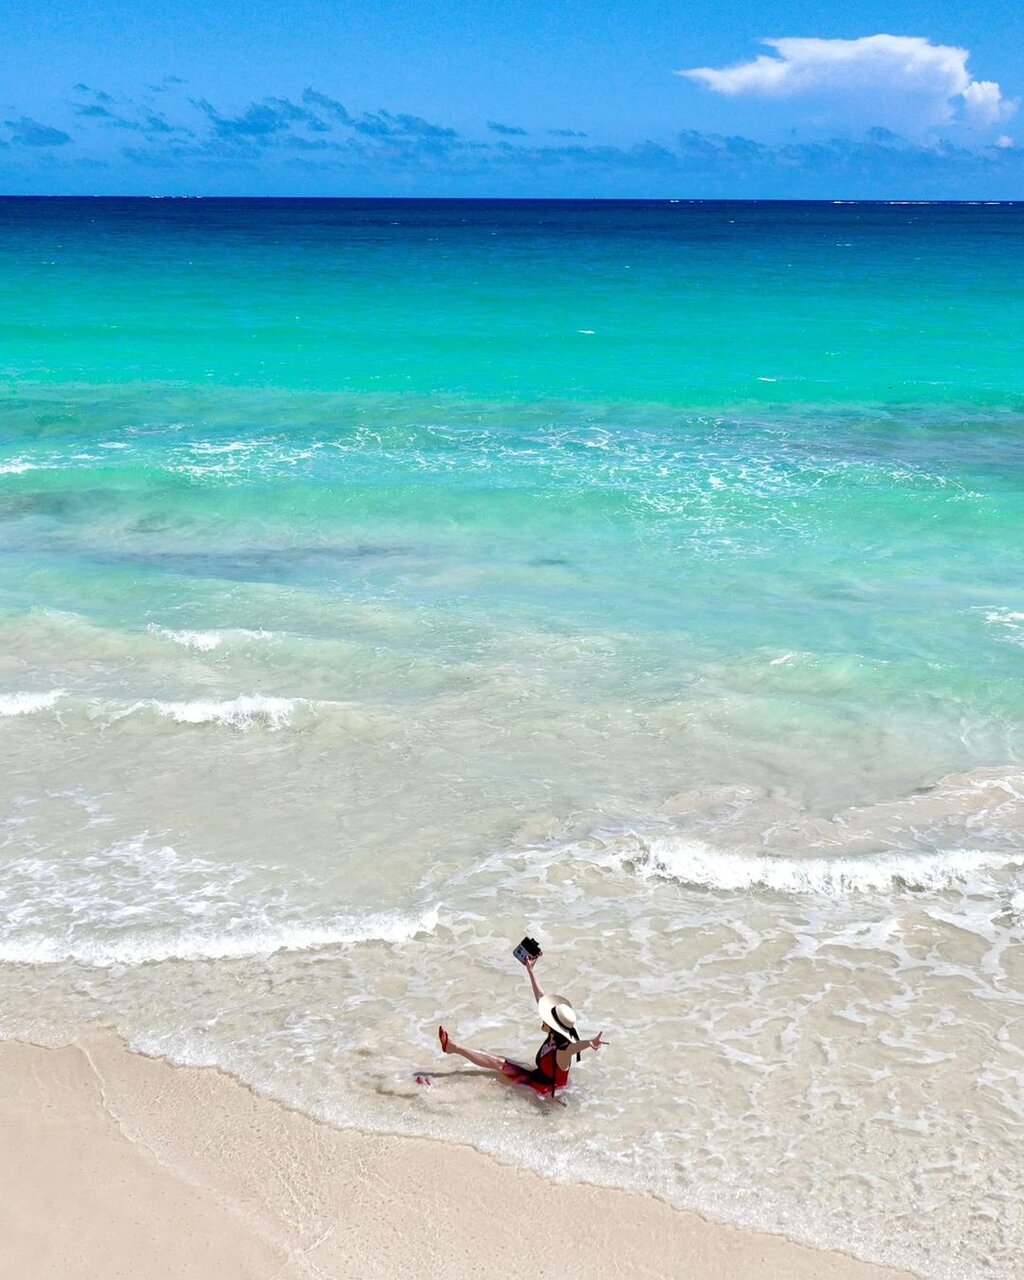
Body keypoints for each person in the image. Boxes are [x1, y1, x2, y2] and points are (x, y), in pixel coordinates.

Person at [437, 953, 604, 1098]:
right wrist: (530, 970)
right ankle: (453, 1048)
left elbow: (573, 1048)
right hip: (538, 1077)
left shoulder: (562, 1050)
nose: (542, 1016)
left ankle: (444, 1082)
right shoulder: (554, 1035)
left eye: (546, 1017)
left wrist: (589, 1043)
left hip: (545, 1091)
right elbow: (541, 997)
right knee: (499, 1063)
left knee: (496, 1085)